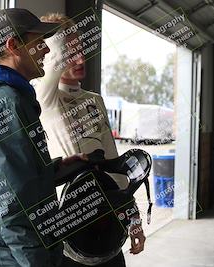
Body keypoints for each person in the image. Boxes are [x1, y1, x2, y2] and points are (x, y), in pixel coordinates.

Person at [0, 8, 86, 266]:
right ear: (13, 46)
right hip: (10, 259)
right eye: (39, 42)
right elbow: (12, 208)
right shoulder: (5, 103)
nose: (45, 50)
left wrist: (53, 170)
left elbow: (6, 183)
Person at [34, 13, 145, 267]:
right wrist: (58, 32)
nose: (80, 59)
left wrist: (133, 218)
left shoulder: (94, 100)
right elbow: (52, 62)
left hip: (107, 226)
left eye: (82, 50)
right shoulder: (44, 98)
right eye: (70, 52)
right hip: (68, 230)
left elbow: (116, 166)